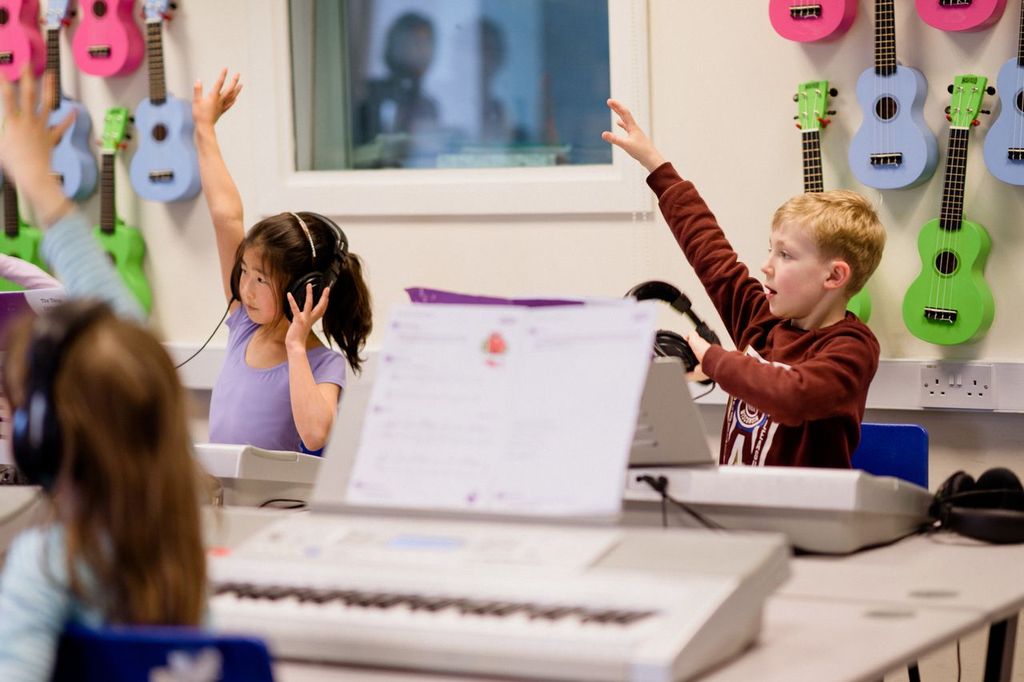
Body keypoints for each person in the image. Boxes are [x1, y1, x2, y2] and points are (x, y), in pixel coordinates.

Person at [0, 72, 206, 680]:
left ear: (44, 439)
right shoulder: (181, 559)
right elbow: (128, 340)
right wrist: (45, 195)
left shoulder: (47, 566)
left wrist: (41, 187)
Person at [603, 99, 885, 468]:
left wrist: (714, 359)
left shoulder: (852, 349)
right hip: (739, 516)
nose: (766, 267)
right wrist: (655, 164)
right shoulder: (762, 320)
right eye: (771, 251)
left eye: (785, 255)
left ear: (834, 276)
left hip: (804, 521)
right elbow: (711, 254)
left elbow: (793, 395)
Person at [193, 70, 373, 454]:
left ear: (301, 288)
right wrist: (204, 128)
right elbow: (226, 216)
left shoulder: (323, 364)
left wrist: (295, 346)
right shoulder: (243, 322)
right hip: (228, 500)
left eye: (261, 280)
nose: (245, 288)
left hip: (279, 508)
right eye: (246, 273)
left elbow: (314, 434)